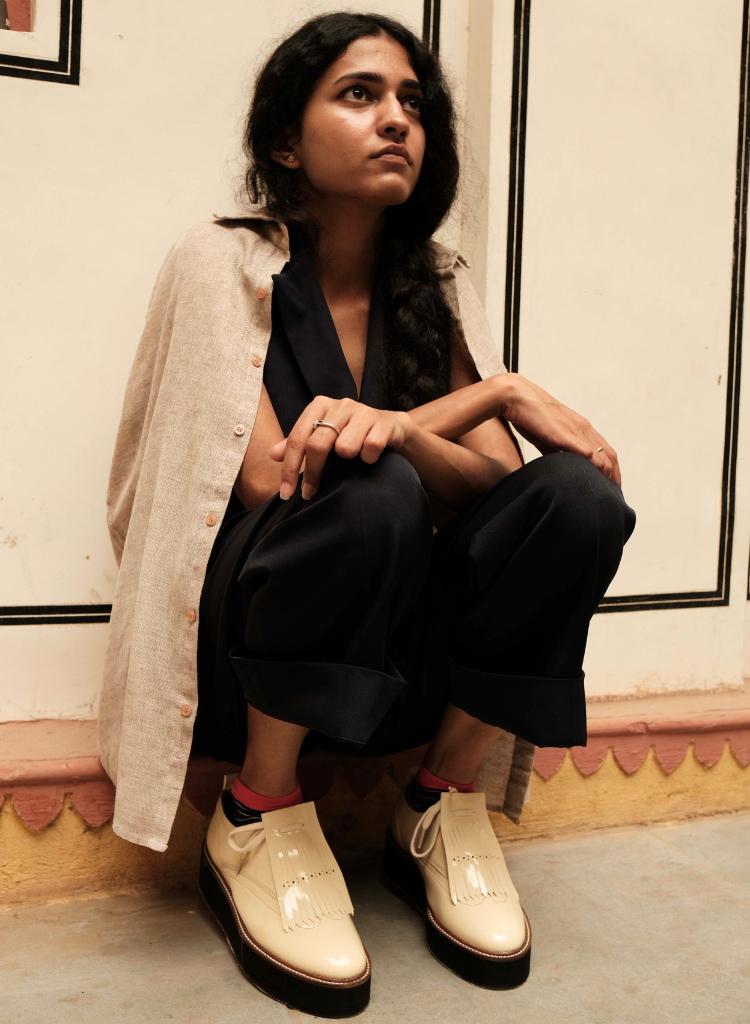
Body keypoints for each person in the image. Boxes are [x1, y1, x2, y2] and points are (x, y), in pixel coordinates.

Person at [98, 11, 635, 1019]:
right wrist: (492, 396)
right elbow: (270, 481)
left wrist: (415, 427)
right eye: (360, 94)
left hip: (397, 659)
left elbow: (493, 486)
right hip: (252, 648)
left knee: (574, 500)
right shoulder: (221, 262)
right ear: (285, 141)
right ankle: (256, 812)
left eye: (412, 104)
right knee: (370, 487)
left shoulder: (434, 282)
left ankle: (440, 799)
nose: (397, 120)